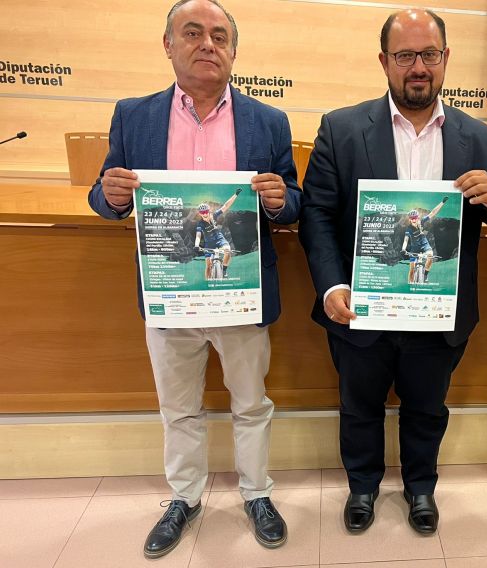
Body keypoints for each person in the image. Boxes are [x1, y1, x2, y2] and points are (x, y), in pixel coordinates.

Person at [87, 0, 301, 558]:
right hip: (169, 292)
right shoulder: (134, 116)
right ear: (168, 45)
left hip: (243, 294)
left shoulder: (269, 121)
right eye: (193, 33)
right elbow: (103, 193)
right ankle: (184, 498)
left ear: (233, 51)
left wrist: (282, 201)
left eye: (220, 36)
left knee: (251, 404)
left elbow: (294, 201)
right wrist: (108, 197)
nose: (208, 44)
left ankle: (257, 495)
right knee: (177, 408)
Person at [299, 9, 487, 536]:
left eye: (430, 55)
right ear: (384, 61)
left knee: (427, 408)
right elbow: (318, 214)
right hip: (361, 308)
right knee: (359, 405)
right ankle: (363, 487)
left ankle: (420, 487)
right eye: (406, 55)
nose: (419, 66)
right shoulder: (342, 128)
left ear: (445, 59)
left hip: (439, 312)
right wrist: (331, 285)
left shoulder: (478, 137)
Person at [194, 189, 240, 279]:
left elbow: (225, 206)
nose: (205, 214)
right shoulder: (200, 224)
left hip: (220, 240)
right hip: (209, 243)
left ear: (209, 211)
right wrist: (196, 245)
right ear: (200, 214)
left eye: (206, 211)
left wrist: (235, 195)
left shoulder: (214, 215)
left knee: (227, 250)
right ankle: (207, 283)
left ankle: (224, 270)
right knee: (208, 266)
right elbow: (198, 235)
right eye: (202, 212)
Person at [401, 196, 448, 283]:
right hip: (414, 248)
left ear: (418, 218)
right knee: (411, 269)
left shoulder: (422, 221)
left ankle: (425, 275)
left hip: (424, 244)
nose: (414, 220)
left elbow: (433, 213)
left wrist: (442, 202)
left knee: (430, 256)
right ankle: (410, 285)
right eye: (412, 219)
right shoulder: (408, 229)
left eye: (415, 218)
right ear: (410, 220)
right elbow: (406, 240)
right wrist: (403, 249)